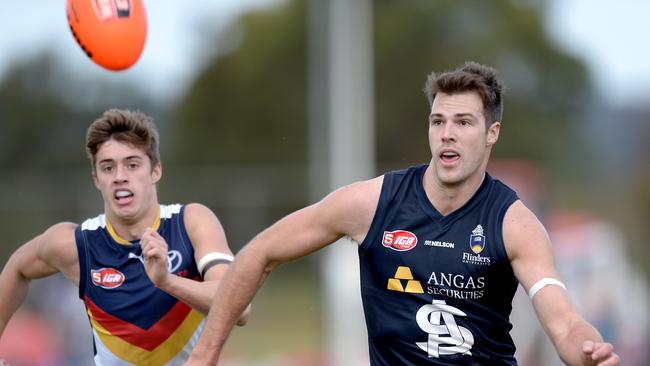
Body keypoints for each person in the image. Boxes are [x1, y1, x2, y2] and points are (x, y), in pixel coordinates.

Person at [185, 61, 620, 366]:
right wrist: (204, 357)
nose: (447, 135)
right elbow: (261, 251)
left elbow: (563, 321)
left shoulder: (514, 224)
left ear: (492, 133)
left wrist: (588, 350)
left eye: (464, 123)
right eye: (438, 121)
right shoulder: (372, 204)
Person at [0, 109, 250, 366]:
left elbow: (240, 308)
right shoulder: (76, 244)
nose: (120, 176)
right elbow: (18, 267)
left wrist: (167, 281)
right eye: (108, 168)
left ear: (155, 171)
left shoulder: (190, 223)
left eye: (132, 164)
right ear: (97, 179)